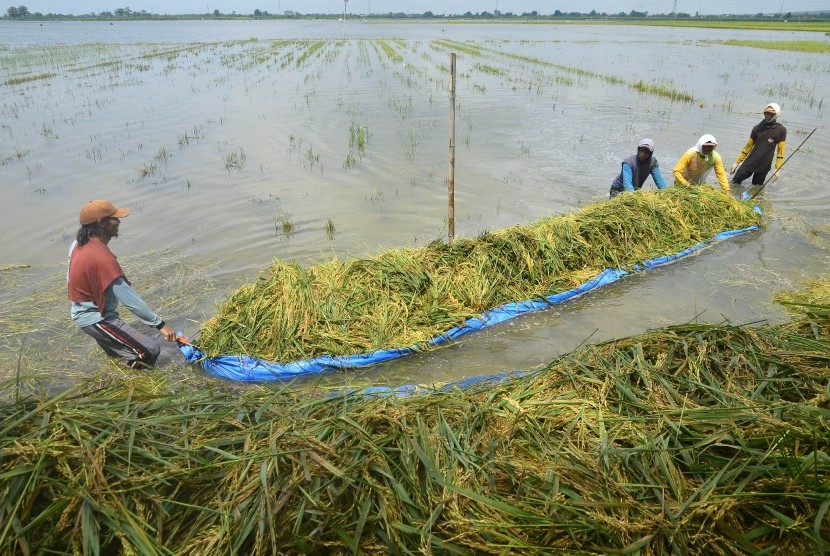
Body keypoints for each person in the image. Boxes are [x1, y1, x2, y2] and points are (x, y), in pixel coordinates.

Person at [67, 199, 177, 368]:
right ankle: (135, 384)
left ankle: (117, 379)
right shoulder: (102, 258)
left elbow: (71, 277)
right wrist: (161, 325)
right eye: (114, 219)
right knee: (149, 351)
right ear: (102, 223)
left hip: (83, 312)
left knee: (119, 358)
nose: (118, 222)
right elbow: (130, 300)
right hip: (96, 318)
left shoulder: (77, 245)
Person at [730, 102, 787, 188]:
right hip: (750, 162)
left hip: (764, 165)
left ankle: (747, 200)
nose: (768, 115)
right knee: (734, 183)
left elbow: (780, 152)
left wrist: (777, 169)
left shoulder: (781, 130)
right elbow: (748, 147)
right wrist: (737, 162)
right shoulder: (757, 128)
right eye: (766, 113)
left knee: (756, 188)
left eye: (771, 114)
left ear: (776, 115)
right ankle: (734, 198)